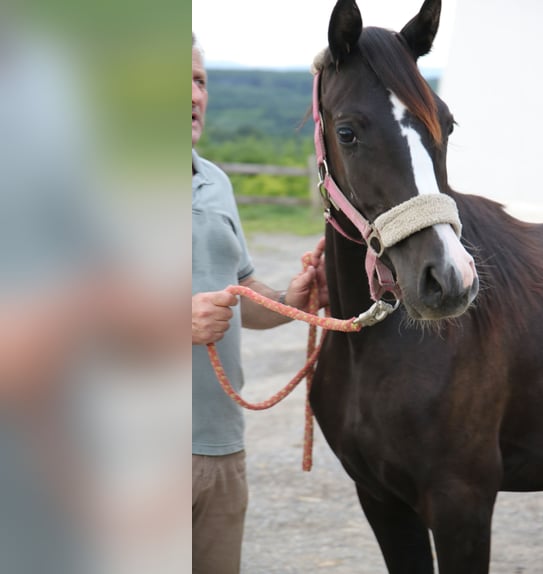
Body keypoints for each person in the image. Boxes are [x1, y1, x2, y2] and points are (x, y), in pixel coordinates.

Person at [192, 33, 327, 574]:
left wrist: (292, 300)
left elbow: (243, 292)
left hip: (223, 451)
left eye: (199, 81)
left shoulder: (218, 183)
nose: (192, 96)